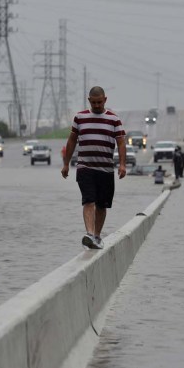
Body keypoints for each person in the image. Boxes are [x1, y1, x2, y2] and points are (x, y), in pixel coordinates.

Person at [61, 86, 127, 250]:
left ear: (105, 100)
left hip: (106, 170)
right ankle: (89, 234)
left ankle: (97, 236)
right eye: (94, 102)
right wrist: (66, 164)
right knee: (88, 200)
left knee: (102, 205)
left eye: (100, 102)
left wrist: (123, 164)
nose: (97, 105)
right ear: (89, 100)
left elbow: (120, 142)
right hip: (85, 167)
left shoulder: (114, 119)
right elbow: (71, 141)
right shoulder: (80, 118)